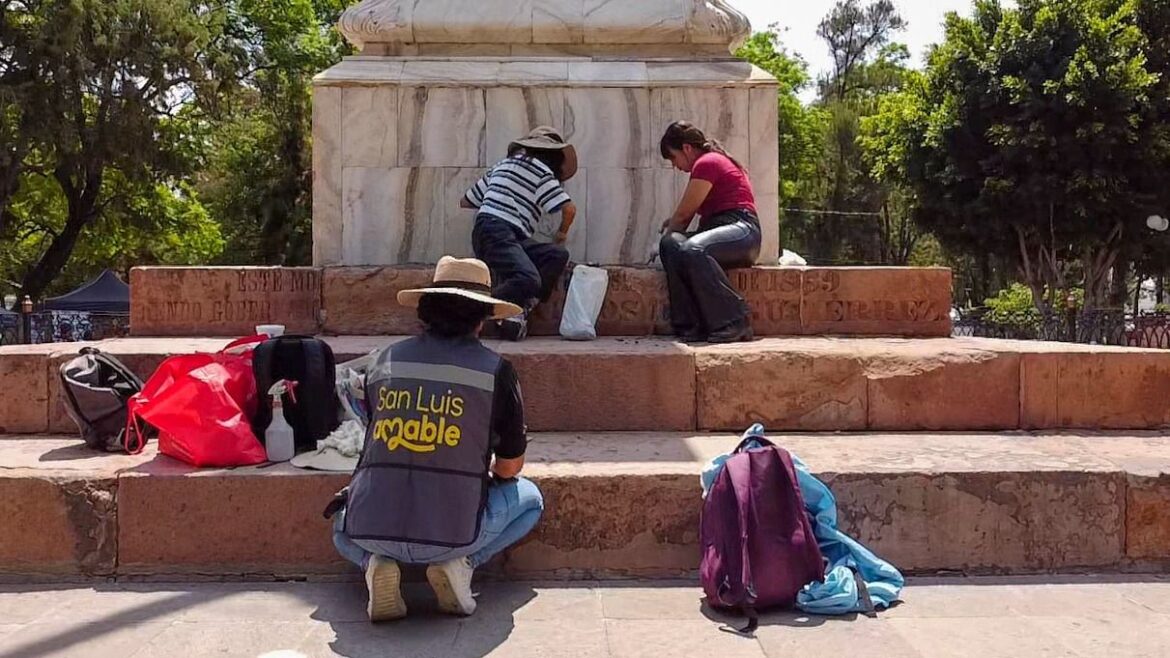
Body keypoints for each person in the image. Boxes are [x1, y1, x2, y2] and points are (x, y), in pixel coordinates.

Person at [330, 256, 543, 622]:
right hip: (455, 532)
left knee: (339, 527)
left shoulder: (383, 361)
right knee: (531, 500)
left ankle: (373, 564)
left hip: (371, 529)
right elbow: (509, 468)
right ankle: (461, 564)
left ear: (424, 311)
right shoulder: (497, 371)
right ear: (482, 318)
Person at [461, 126, 579, 341]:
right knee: (530, 277)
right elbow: (569, 209)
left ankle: (518, 309)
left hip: (493, 232)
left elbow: (466, 201)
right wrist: (561, 234)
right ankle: (470, 311)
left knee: (556, 255)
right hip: (498, 231)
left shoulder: (502, 165)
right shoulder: (541, 171)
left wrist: (502, 194)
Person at [658, 120, 762, 343]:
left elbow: (684, 216)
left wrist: (671, 227)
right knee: (670, 244)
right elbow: (683, 215)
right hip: (719, 228)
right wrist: (668, 234)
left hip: (743, 230)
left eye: (673, 158)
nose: (675, 166)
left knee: (693, 249)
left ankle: (735, 320)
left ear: (687, 148)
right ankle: (691, 324)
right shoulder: (705, 163)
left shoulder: (708, 162)